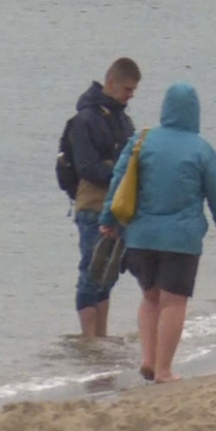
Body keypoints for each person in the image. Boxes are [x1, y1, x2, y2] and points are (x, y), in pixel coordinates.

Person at [100, 82, 216, 384]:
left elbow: (119, 181)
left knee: (150, 298)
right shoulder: (201, 150)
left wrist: (107, 217)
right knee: (173, 302)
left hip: (140, 238)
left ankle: (149, 359)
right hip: (181, 241)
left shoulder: (142, 139)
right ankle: (163, 369)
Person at [68, 57, 141, 338]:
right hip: (91, 207)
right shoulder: (84, 119)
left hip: (118, 208)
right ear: (110, 82)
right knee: (90, 273)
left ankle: (101, 338)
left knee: (107, 277)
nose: (130, 95)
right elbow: (85, 167)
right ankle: (89, 342)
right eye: (127, 89)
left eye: (133, 90)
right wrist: (118, 172)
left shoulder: (123, 120)